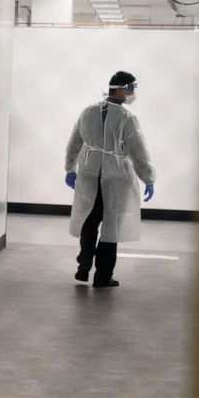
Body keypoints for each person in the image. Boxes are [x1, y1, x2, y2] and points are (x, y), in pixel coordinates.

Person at [64, 71, 155, 287]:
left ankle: (83, 265)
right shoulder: (127, 118)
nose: (133, 94)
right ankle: (103, 276)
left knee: (90, 219)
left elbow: (74, 141)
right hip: (115, 177)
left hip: (89, 173)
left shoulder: (88, 112)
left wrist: (70, 167)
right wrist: (148, 178)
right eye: (131, 89)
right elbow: (138, 151)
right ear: (121, 90)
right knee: (111, 225)